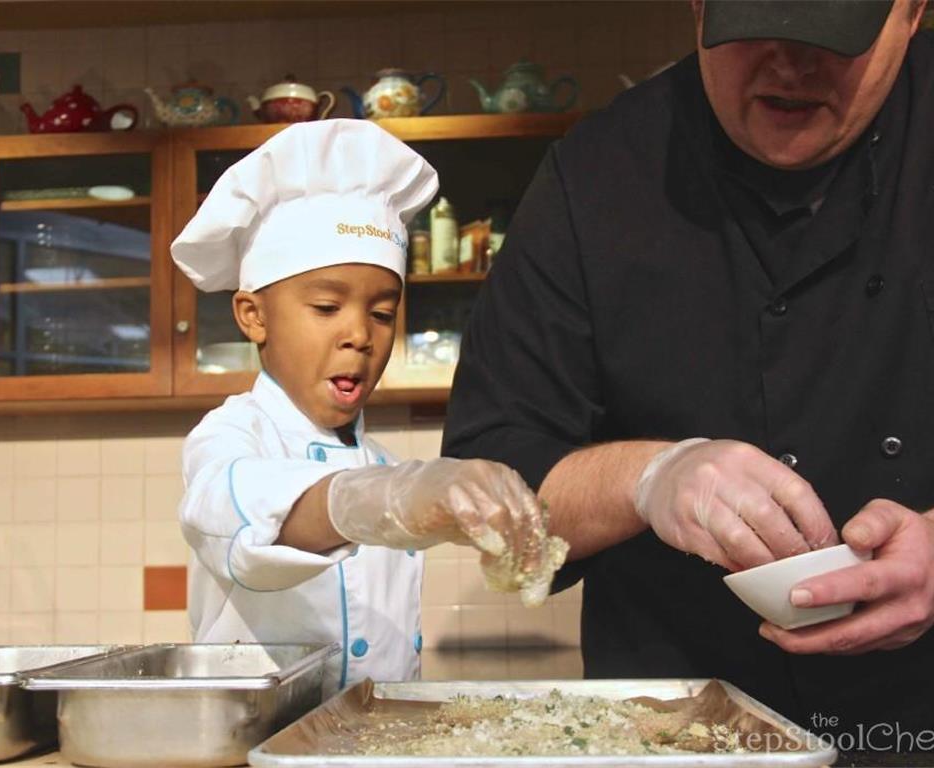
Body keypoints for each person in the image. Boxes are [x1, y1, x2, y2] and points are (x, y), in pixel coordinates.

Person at [443, 0, 934, 746]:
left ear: (914, 11)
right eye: (757, 23)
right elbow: (487, 485)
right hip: (671, 733)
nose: (790, 64)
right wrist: (649, 479)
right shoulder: (598, 174)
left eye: (832, 35)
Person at [171, 119, 562, 696]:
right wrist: (375, 499)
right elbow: (228, 510)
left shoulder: (385, 468)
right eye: (327, 306)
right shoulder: (231, 435)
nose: (360, 334)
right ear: (253, 315)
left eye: (382, 313)